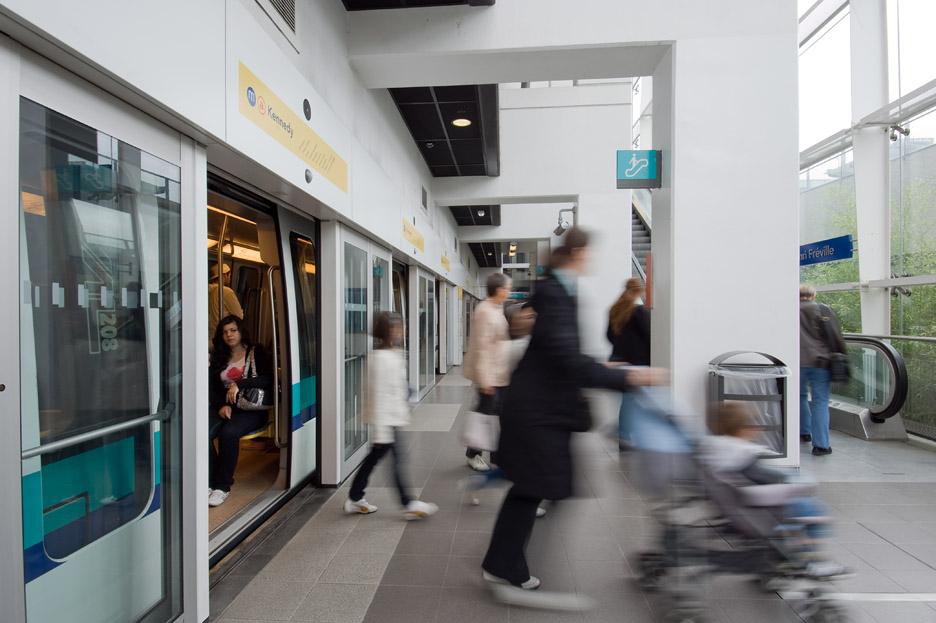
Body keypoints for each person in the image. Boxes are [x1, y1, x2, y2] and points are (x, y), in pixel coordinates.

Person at [481, 227, 668, 591]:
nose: (593, 261)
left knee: (531, 488)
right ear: (579, 254)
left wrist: (606, 368)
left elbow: (561, 353)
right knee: (535, 487)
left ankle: (502, 562)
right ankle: (503, 564)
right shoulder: (555, 292)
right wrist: (633, 378)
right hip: (537, 412)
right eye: (591, 254)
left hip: (538, 410)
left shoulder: (557, 290)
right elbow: (564, 358)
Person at [700, 402, 849, 580]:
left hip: (740, 510)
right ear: (743, 430)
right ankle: (812, 559)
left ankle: (782, 556)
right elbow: (776, 478)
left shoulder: (711, 452)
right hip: (762, 510)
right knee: (813, 510)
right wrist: (799, 484)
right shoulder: (744, 455)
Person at [344, 312, 439, 520]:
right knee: (396, 459)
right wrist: (379, 432)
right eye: (397, 328)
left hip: (391, 418)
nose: (401, 331)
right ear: (387, 332)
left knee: (375, 457)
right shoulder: (379, 358)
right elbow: (377, 396)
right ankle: (408, 503)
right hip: (384, 421)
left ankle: (355, 497)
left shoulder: (390, 353)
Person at [208, 315, 273, 507]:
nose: (229, 335)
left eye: (233, 330)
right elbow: (212, 387)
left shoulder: (256, 352)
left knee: (229, 433)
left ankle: (223, 487)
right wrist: (222, 404)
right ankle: (209, 482)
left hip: (251, 409)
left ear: (241, 331)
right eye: (225, 332)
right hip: (226, 408)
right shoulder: (219, 356)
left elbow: (269, 379)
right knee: (202, 433)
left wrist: (239, 383)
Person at [462, 273, 513, 472]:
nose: (510, 292)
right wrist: (485, 381)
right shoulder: (485, 311)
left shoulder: (496, 308)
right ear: (499, 290)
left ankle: (498, 457)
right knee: (486, 415)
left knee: (495, 416)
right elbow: (481, 347)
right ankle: (473, 454)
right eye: (508, 288)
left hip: (499, 374)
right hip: (490, 376)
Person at [799, 284, 846, 456]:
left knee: (799, 396)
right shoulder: (822, 309)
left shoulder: (790, 310)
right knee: (820, 401)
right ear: (813, 296)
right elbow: (835, 334)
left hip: (797, 363)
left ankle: (803, 432)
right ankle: (821, 445)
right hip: (821, 362)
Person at [606, 278, 651, 450]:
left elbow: (609, 335)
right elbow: (649, 336)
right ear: (641, 291)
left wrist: (621, 347)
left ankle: (623, 433)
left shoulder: (615, 309)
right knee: (634, 402)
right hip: (637, 364)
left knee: (630, 401)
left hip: (617, 361)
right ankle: (621, 433)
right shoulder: (640, 311)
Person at [208, 263, 244, 343]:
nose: (230, 278)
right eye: (229, 275)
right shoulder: (226, 292)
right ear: (224, 275)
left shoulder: (208, 292)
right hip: (224, 337)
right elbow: (239, 316)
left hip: (210, 337)